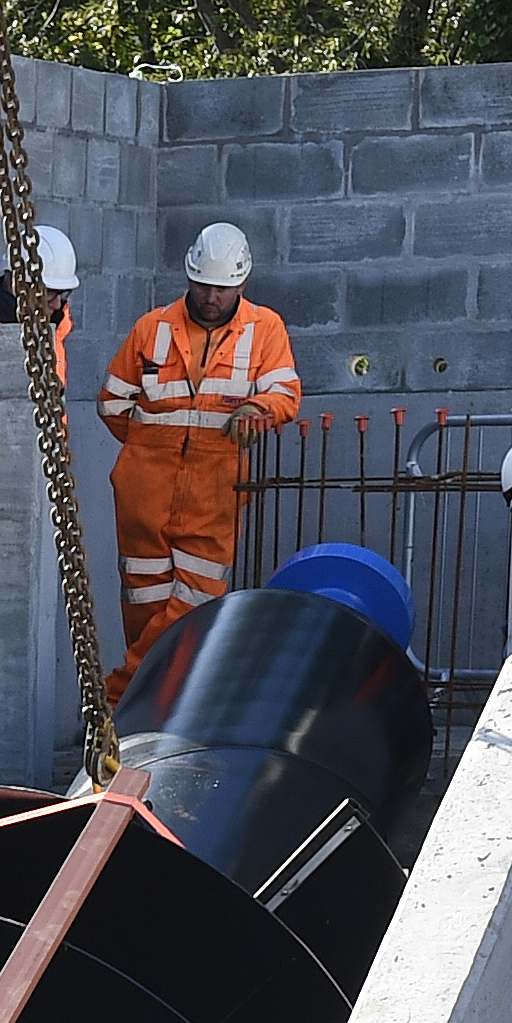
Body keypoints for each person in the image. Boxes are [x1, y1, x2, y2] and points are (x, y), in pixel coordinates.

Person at [95, 222, 301, 686]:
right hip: (144, 488)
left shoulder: (264, 329)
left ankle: (122, 694)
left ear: (242, 284)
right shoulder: (153, 328)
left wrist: (255, 408)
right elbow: (111, 402)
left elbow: (285, 394)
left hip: (215, 485)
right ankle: (157, 705)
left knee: (197, 600)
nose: (212, 297)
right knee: (146, 606)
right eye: (205, 285)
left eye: (223, 289)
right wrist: (154, 445)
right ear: (189, 277)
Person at [0, 223, 79, 392]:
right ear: (17, 287)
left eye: (62, 294)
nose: (57, 305)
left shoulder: (55, 330)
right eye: (49, 294)